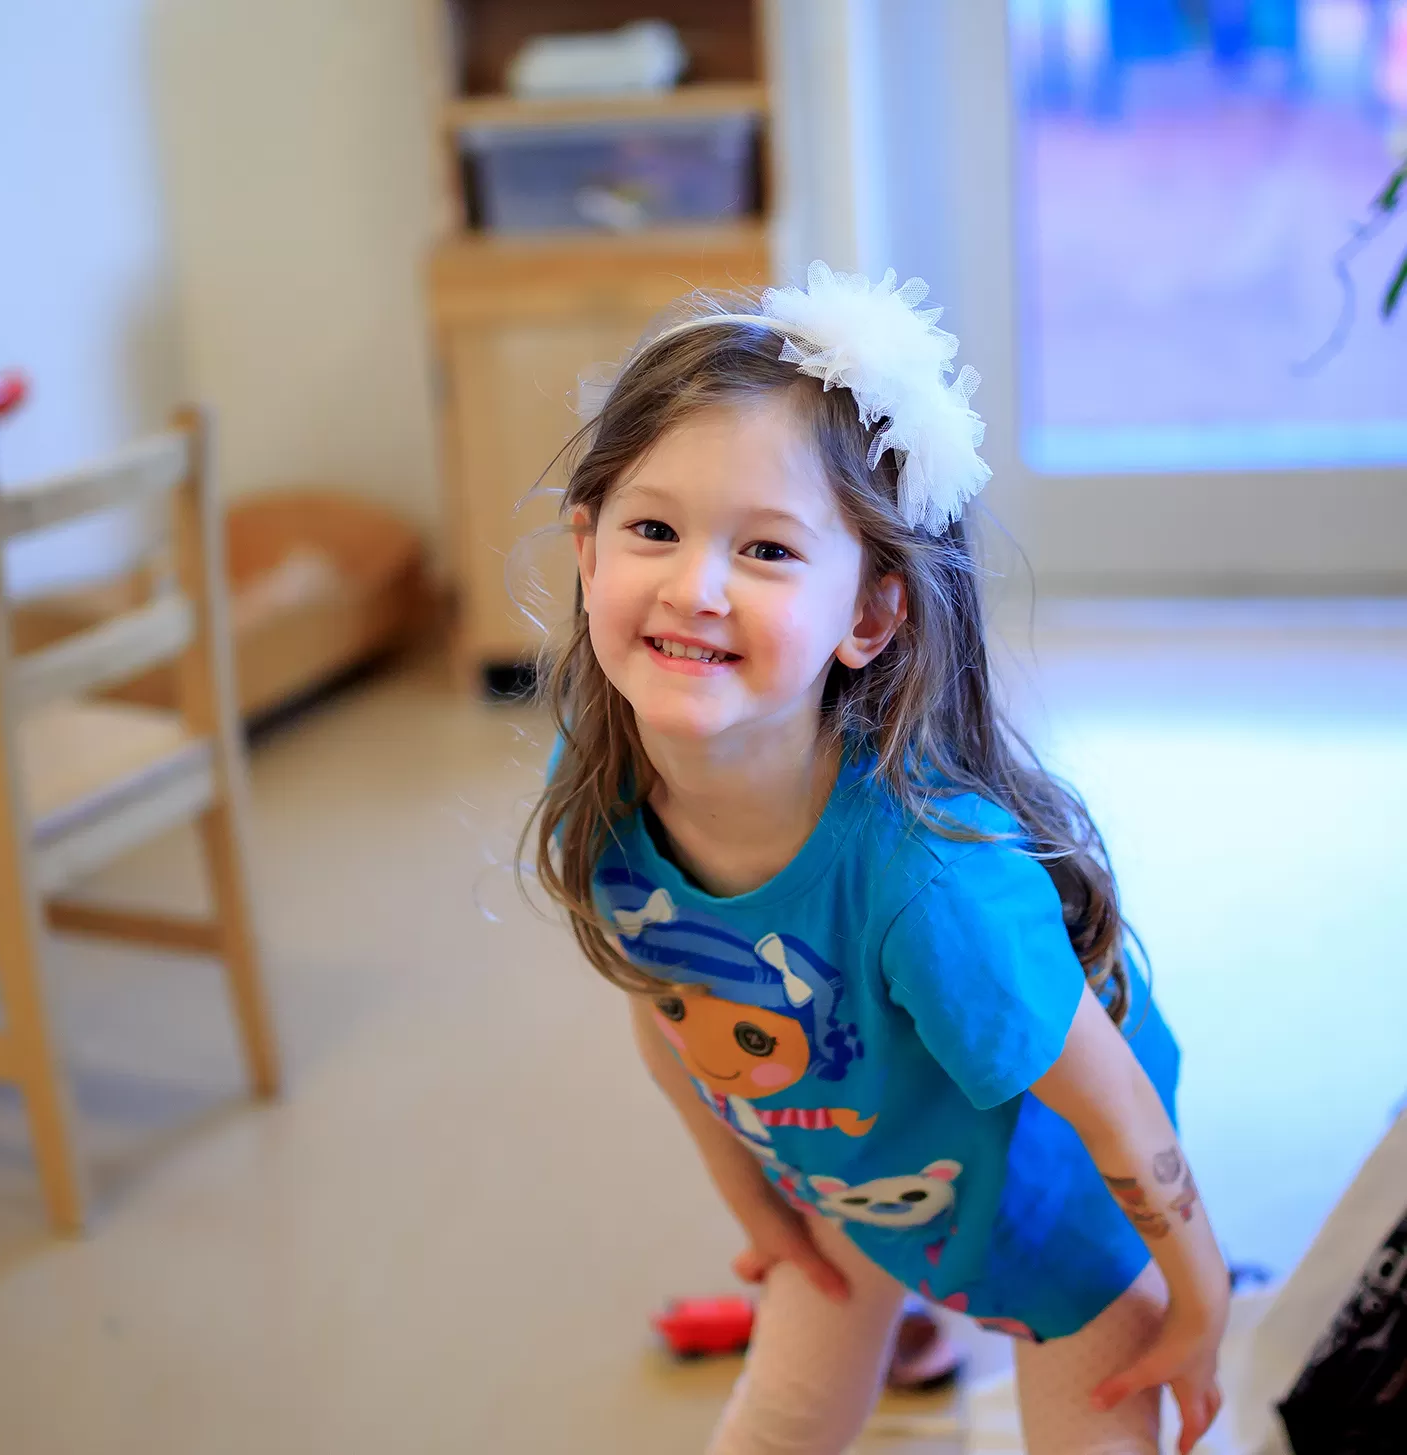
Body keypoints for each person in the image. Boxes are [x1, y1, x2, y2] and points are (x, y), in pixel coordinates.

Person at [525, 265, 1229, 1453]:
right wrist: (749, 1198)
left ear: (870, 615)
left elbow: (1111, 1110)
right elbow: (664, 1008)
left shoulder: (933, 889)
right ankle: (919, 1320)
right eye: (653, 529)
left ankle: (957, 1318)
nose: (692, 588)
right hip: (853, 1173)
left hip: (1052, 1212)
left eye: (765, 551)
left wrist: (1196, 1297)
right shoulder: (596, 786)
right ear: (588, 551)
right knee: (777, 1423)